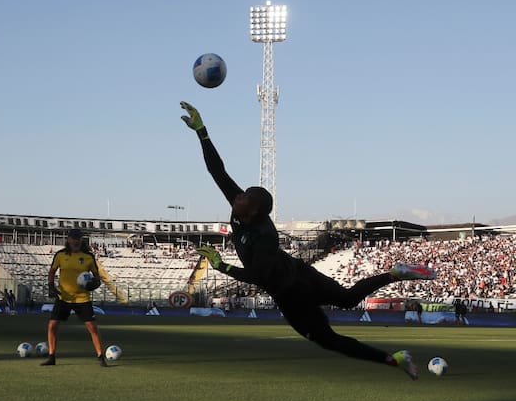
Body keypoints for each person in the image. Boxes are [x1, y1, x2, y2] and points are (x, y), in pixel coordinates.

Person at [180, 101, 436, 380]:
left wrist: (221, 266)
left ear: (254, 211)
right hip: (301, 273)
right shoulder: (244, 209)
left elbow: (258, 276)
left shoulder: (265, 236)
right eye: (241, 194)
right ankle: (394, 276)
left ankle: (394, 358)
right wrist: (202, 132)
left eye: (243, 198)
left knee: (327, 339)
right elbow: (217, 171)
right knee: (348, 299)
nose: (237, 197)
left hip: (291, 294)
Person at [41, 229, 107, 367]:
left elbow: (97, 277)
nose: (76, 241)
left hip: (82, 298)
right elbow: (52, 271)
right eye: (73, 238)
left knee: (92, 328)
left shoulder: (88, 257)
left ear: (81, 240)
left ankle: (101, 356)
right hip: (63, 297)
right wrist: (51, 286)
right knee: (52, 325)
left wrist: (93, 284)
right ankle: (52, 356)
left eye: (78, 238)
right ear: (68, 239)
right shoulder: (60, 255)